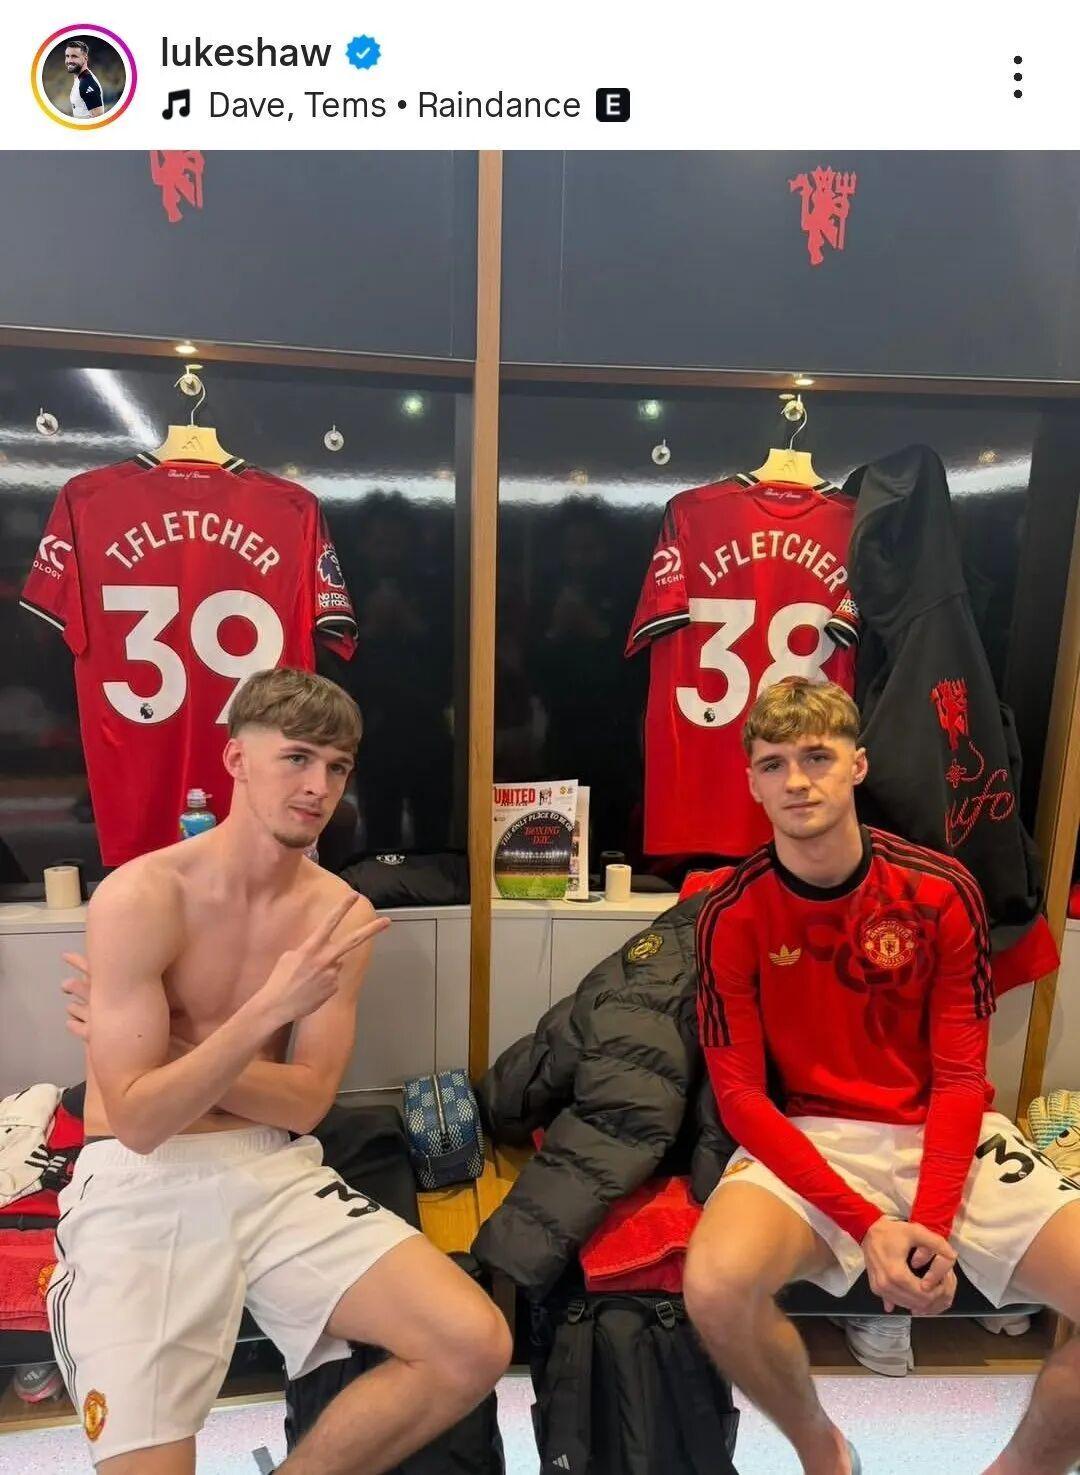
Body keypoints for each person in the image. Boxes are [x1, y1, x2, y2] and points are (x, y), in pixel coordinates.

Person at [53, 666, 511, 1474]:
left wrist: (172, 1052)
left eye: (337, 767)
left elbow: (304, 1104)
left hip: (269, 1164)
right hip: (138, 1179)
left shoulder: (340, 915)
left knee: (472, 1343)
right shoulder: (142, 896)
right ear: (236, 759)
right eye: (296, 757)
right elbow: (140, 1118)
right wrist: (267, 1010)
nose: (318, 786)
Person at [683, 675, 1080, 1475]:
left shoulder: (940, 889)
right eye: (774, 764)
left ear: (857, 765)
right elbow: (741, 1098)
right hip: (810, 1130)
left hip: (943, 1127)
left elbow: (961, 1075)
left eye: (818, 756)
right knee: (715, 1285)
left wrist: (928, 1223)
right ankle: (824, 1451)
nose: (797, 780)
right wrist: (869, 1224)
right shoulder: (731, 912)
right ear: (752, 782)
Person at [63, 39, 104, 120]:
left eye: (74, 56)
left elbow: (99, 119)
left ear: (85, 58)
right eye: (67, 56)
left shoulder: (87, 83)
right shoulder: (79, 78)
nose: (69, 60)